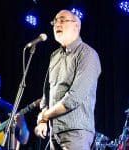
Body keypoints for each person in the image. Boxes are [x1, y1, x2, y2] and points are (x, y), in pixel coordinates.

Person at [34, 10, 101, 150]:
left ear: (76, 26)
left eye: (63, 20)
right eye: (55, 21)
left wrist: (45, 115)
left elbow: (74, 98)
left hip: (76, 132)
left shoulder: (87, 54)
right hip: (54, 133)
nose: (57, 23)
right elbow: (47, 93)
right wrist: (43, 120)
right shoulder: (55, 56)